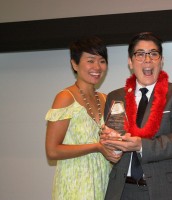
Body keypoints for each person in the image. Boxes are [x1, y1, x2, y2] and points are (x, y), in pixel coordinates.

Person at [100, 32, 172, 200]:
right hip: (121, 191)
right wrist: (109, 147)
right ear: (130, 62)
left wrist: (141, 146)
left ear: (161, 60)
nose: (147, 60)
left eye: (153, 54)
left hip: (164, 190)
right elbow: (110, 140)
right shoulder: (115, 97)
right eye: (140, 54)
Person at [45, 36, 120, 200]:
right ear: (75, 64)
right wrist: (96, 147)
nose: (97, 67)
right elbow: (52, 150)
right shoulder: (65, 97)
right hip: (74, 185)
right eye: (90, 60)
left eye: (102, 61)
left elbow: (110, 142)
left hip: (103, 183)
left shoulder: (106, 99)